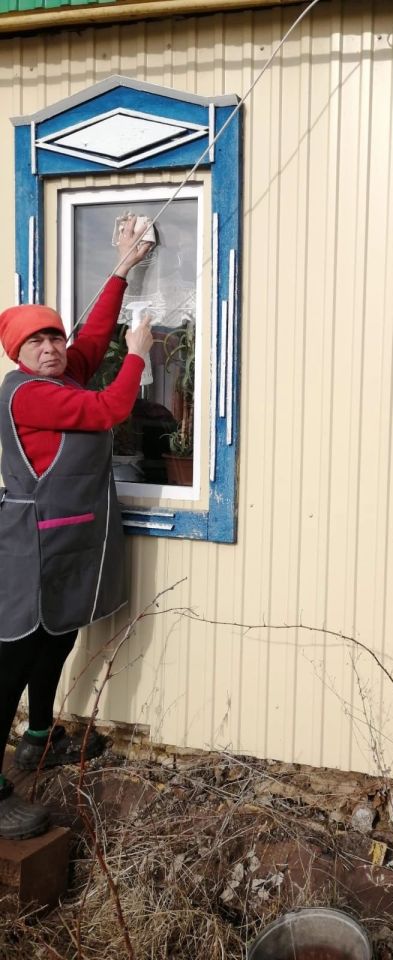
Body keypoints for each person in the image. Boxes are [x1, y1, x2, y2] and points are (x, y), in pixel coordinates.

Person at [0, 216, 154, 840]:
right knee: (10, 662)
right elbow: (111, 407)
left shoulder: (62, 371)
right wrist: (139, 349)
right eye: (36, 342)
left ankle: (40, 741)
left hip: (64, 540)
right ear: (17, 353)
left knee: (56, 640)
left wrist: (123, 266)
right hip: (27, 551)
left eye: (54, 338)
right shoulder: (29, 393)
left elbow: (91, 336)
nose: (52, 348)